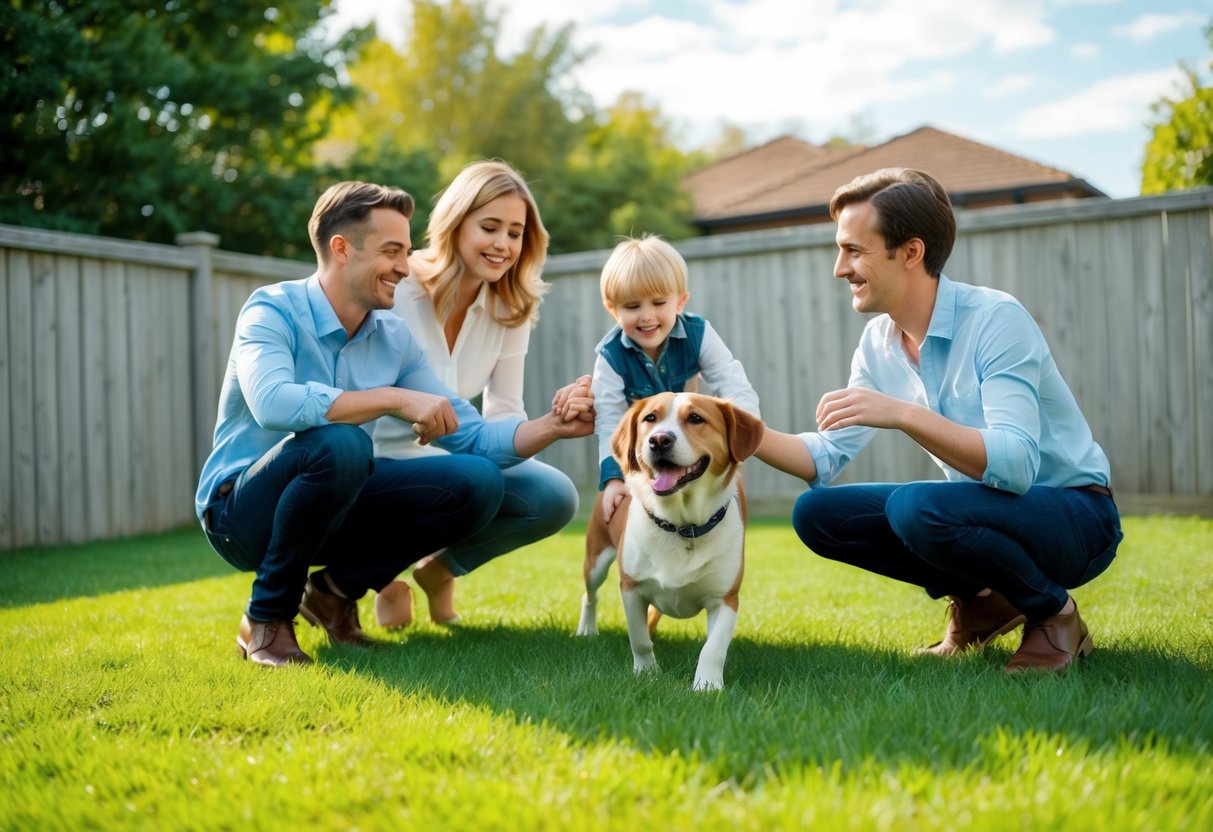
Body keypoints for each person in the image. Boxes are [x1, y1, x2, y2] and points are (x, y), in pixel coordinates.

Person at [195, 180, 593, 667]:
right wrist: (393, 398)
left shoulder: (393, 338)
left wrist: (554, 425)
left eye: (406, 251)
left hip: (333, 502)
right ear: (341, 249)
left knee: (477, 480)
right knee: (341, 445)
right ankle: (266, 618)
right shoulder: (271, 309)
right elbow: (273, 404)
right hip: (241, 513)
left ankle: (334, 594)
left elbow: (472, 437)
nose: (405, 268)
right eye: (391, 252)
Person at [755, 167, 1123, 673]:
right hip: (994, 512)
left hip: (1077, 517)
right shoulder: (878, 343)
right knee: (817, 514)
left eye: (854, 250)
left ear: (910, 252)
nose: (840, 268)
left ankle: (1053, 613)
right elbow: (822, 458)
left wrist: (904, 414)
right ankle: (983, 602)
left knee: (916, 506)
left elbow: (1016, 467)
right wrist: (733, 426)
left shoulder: (996, 319)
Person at [372, 160, 581, 627]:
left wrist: (555, 423)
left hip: (461, 455)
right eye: (490, 227)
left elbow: (505, 409)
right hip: (375, 460)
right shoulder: (397, 287)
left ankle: (439, 570)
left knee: (554, 495)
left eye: (515, 232)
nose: (503, 245)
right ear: (455, 223)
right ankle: (382, 575)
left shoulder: (512, 305)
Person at [591, 235, 761, 522]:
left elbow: (732, 382)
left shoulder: (699, 334)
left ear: (680, 302)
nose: (647, 316)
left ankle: (728, 546)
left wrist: (738, 442)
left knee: (734, 485)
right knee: (625, 504)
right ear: (613, 310)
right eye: (632, 307)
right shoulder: (609, 356)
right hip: (648, 449)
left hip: (690, 442)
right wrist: (613, 479)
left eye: (659, 302)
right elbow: (609, 419)